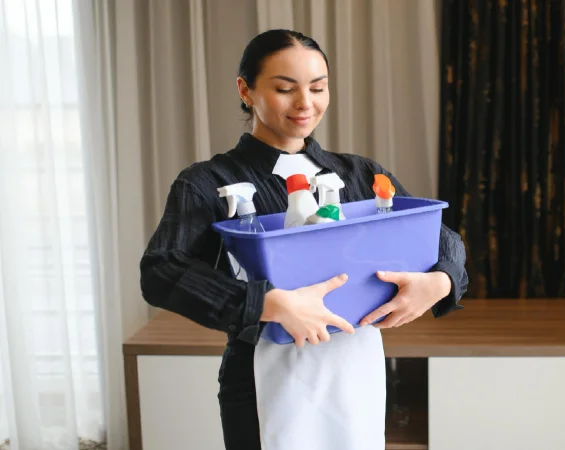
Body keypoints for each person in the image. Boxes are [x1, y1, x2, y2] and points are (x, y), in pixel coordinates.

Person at [139, 29, 468, 450]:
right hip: (262, 380)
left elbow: (442, 240)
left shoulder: (359, 174)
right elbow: (161, 269)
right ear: (246, 90)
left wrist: (438, 282)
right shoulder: (208, 182)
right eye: (284, 88)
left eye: (318, 87)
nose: (305, 103)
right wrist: (266, 304)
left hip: (357, 369)